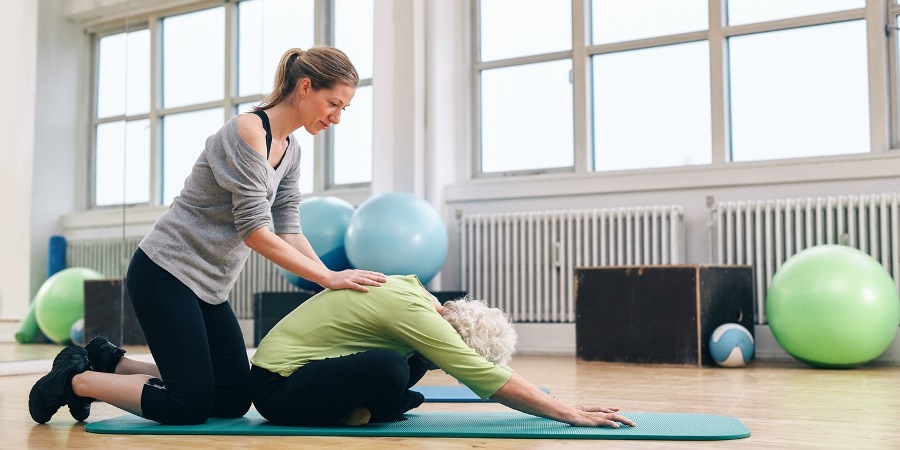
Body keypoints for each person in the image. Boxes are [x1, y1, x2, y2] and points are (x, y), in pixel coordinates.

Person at [27, 47, 386, 425]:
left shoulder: (291, 151)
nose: (337, 117)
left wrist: (333, 281)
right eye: (334, 103)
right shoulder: (247, 132)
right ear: (305, 87)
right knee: (190, 404)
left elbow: (289, 228)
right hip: (165, 274)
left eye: (344, 108)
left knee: (232, 398)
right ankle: (77, 379)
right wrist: (328, 277)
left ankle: (109, 361)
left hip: (209, 289)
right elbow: (255, 232)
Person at [250, 274, 637, 428]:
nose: (446, 371)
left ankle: (369, 409)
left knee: (407, 363)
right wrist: (566, 412)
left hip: (313, 373)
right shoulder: (417, 318)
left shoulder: (425, 299)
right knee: (391, 367)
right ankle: (372, 409)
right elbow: (486, 378)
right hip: (278, 390)